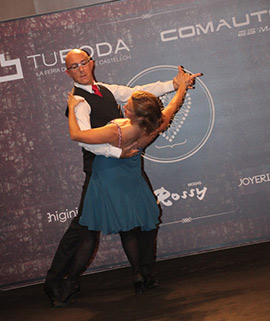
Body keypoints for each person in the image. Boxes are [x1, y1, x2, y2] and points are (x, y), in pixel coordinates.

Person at [44, 48, 188, 308]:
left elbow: (138, 91)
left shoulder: (107, 91)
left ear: (92, 63)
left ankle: (141, 274)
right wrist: (116, 153)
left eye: (84, 62)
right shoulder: (80, 102)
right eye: (75, 66)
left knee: (134, 224)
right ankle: (59, 283)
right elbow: (87, 142)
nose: (81, 68)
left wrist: (172, 84)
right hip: (102, 171)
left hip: (126, 168)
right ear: (68, 73)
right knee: (85, 231)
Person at [65, 66, 201, 295]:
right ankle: (141, 273)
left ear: (134, 115)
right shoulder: (155, 125)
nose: (123, 106)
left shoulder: (117, 131)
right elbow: (173, 106)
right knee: (138, 226)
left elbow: (77, 135)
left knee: (122, 229)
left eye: (127, 106)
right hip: (131, 176)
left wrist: (71, 108)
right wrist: (181, 87)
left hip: (108, 177)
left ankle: (77, 282)